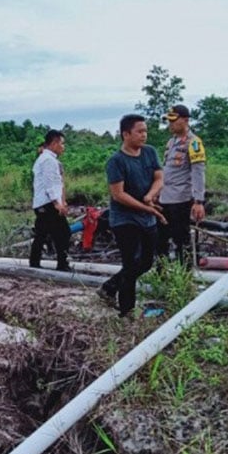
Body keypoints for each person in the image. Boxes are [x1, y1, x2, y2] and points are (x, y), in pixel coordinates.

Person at [96, 115, 167, 317]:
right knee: (131, 263)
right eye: (139, 131)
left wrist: (150, 195)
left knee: (146, 262)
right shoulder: (116, 161)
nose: (144, 135)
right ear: (125, 134)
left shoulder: (150, 152)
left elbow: (159, 178)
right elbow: (118, 195)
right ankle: (127, 310)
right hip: (124, 219)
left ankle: (110, 287)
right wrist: (148, 208)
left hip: (147, 218)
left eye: (145, 131)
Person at [157, 104, 207, 263]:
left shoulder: (194, 143)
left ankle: (184, 277)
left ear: (185, 120)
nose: (170, 124)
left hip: (180, 200)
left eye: (174, 120)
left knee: (182, 242)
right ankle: (162, 274)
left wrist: (198, 201)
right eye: (169, 121)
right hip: (164, 199)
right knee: (160, 240)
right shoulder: (171, 142)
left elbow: (198, 172)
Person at [29, 129, 71, 271]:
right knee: (63, 233)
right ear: (54, 143)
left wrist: (62, 201)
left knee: (41, 234)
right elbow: (50, 184)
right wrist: (57, 203)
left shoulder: (47, 159)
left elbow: (59, 183)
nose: (63, 147)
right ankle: (62, 264)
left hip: (42, 203)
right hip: (48, 203)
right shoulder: (48, 160)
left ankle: (34, 263)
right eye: (62, 144)